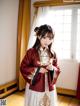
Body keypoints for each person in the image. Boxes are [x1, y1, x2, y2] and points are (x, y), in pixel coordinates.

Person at [20, 24, 61, 106]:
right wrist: (38, 70)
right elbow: (23, 67)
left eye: (50, 38)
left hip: (49, 86)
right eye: (44, 37)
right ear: (39, 36)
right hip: (36, 86)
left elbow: (57, 68)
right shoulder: (31, 52)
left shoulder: (53, 53)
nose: (47, 41)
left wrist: (52, 68)